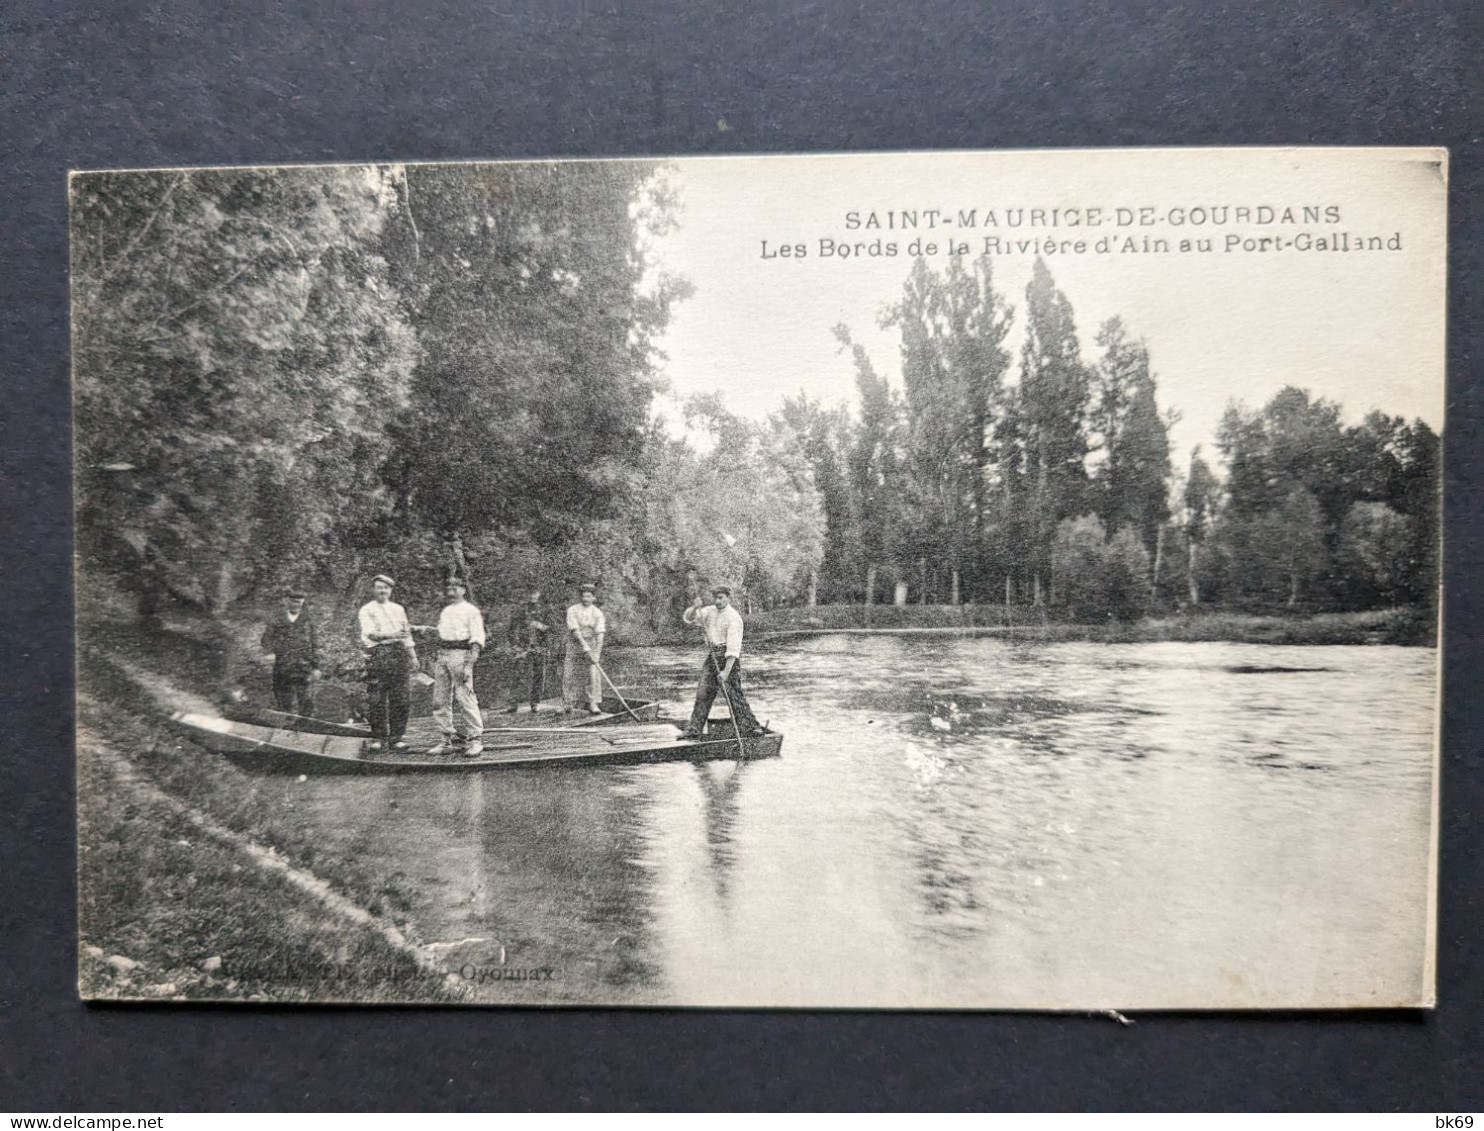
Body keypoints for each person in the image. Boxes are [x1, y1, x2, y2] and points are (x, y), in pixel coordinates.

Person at [681, 586, 765, 738]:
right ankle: (693, 730)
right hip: (712, 656)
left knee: (734, 695)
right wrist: (695, 607)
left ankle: (751, 727)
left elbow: (733, 648)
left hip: (728, 659)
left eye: (721, 598)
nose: (717, 601)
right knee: (703, 693)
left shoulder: (733, 617)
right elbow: (689, 618)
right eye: (716, 598)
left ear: (728, 598)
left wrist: (726, 672)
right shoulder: (709, 611)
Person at [426, 576, 485, 757]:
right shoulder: (446, 611)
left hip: (461, 654)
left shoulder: (471, 611)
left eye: (456, 587)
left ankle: (475, 739)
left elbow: (477, 638)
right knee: (440, 698)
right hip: (443, 655)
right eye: (449, 587)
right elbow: (443, 634)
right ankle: (445, 740)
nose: (452, 590)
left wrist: (469, 665)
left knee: (465, 696)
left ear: (463, 590)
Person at [357, 574, 417, 753]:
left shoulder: (398, 609)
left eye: (386, 588)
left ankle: (397, 738)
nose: (383, 591)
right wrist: (393, 635)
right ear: (373, 590)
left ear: (390, 590)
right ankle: (378, 738)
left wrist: (413, 656)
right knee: (376, 698)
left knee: (401, 698)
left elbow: (406, 635)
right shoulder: (367, 610)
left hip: (399, 654)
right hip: (378, 655)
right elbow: (371, 634)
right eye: (379, 587)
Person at [260, 588, 321, 716]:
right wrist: (270, 652)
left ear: (302, 603)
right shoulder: (277, 619)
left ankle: (306, 729)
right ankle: (286, 727)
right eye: (293, 601)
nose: (295, 604)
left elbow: (315, 644)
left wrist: (316, 667)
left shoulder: (308, 620)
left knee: (306, 700)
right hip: (283, 664)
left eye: (298, 602)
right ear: (288, 601)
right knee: (283, 700)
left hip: (303, 665)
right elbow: (266, 640)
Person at [505, 587, 553, 713]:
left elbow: (553, 627)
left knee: (539, 675)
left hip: (539, 646)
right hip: (523, 646)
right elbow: (511, 629)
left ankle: (535, 702)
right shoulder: (520, 609)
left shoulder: (544, 609)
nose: (532, 595)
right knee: (518, 674)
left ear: (539, 594)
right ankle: (513, 703)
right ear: (526, 594)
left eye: (535, 593)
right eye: (530, 593)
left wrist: (543, 627)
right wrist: (515, 646)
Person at [563, 583, 606, 714]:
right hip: (575, 644)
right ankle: (567, 703)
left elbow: (600, 634)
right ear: (580, 597)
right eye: (583, 596)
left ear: (593, 598)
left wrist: (597, 653)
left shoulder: (598, 613)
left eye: (589, 596)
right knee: (569, 673)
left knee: (593, 674)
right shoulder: (572, 610)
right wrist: (583, 645)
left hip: (591, 643)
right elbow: (575, 630)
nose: (586, 599)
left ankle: (593, 704)